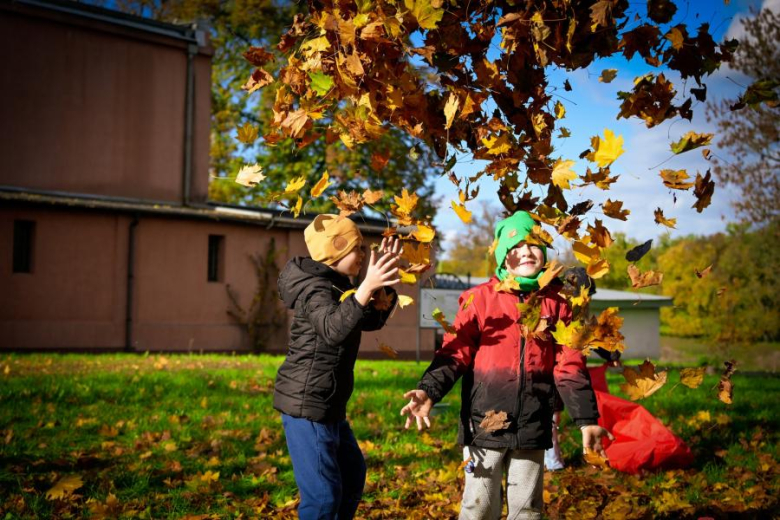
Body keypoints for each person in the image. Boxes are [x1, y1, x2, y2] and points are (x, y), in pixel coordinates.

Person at [400, 211, 613, 520]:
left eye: (535, 244)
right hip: (483, 424)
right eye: (516, 245)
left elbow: (570, 366)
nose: (527, 251)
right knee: (478, 506)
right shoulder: (479, 299)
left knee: (527, 509)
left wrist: (586, 418)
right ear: (502, 255)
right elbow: (455, 351)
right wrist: (428, 390)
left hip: (533, 423)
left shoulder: (558, 304)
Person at [274, 214, 402, 520]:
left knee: (352, 476)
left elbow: (366, 319)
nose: (362, 255)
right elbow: (334, 328)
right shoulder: (314, 289)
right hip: (307, 405)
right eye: (357, 248)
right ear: (336, 250)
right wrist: (364, 288)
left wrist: (381, 287)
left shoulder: (338, 286)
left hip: (329, 404)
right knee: (323, 498)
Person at [544, 267, 622, 472]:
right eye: (582, 296)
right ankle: (553, 463)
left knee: (555, 416)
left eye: (588, 297)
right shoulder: (553, 312)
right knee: (549, 418)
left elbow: (594, 339)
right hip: (546, 375)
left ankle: (553, 459)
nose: (586, 301)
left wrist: (611, 355)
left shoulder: (581, 320)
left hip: (568, 377)